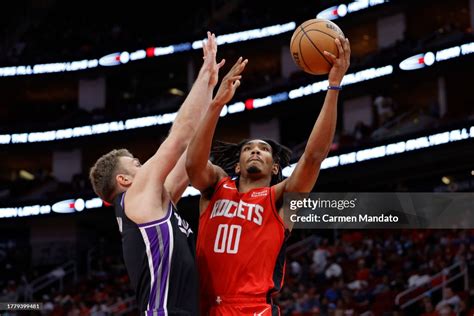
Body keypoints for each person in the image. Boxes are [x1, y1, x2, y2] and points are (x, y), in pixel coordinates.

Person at [186, 36, 350, 315]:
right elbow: (193, 165)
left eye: (263, 149)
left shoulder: (280, 200)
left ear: (275, 168)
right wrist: (216, 105)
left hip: (252, 310)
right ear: (236, 165)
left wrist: (333, 87)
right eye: (248, 149)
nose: (254, 151)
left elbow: (312, 158)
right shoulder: (215, 187)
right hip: (202, 307)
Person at [88, 32, 228, 315]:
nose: (145, 165)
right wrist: (205, 75)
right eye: (137, 164)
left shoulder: (155, 204)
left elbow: (190, 154)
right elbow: (179, 136)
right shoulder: (137, 197)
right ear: (124, 180)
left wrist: (210, 95)